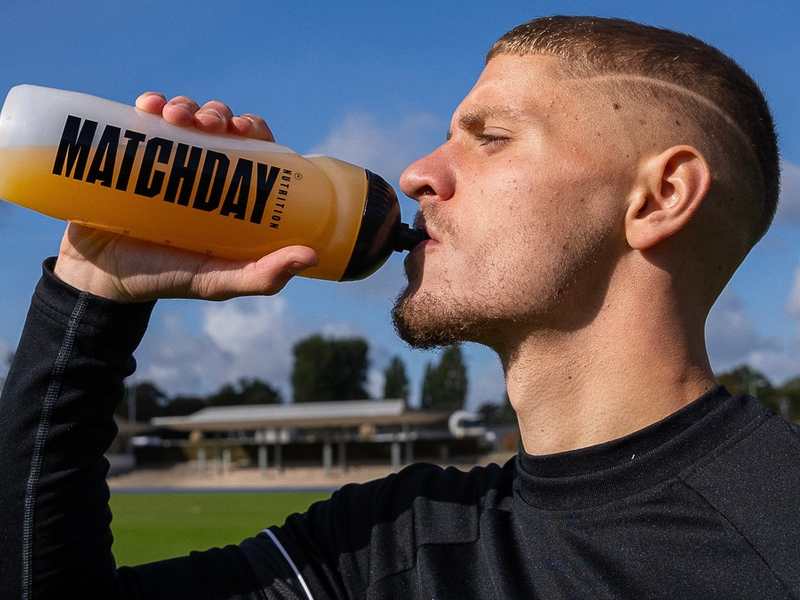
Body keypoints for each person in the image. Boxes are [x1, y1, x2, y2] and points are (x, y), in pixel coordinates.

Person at [1, 14, 798, 599]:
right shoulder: (393, 543)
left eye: (489, 137)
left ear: (660, 196)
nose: (418, 172)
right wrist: (94, 289)